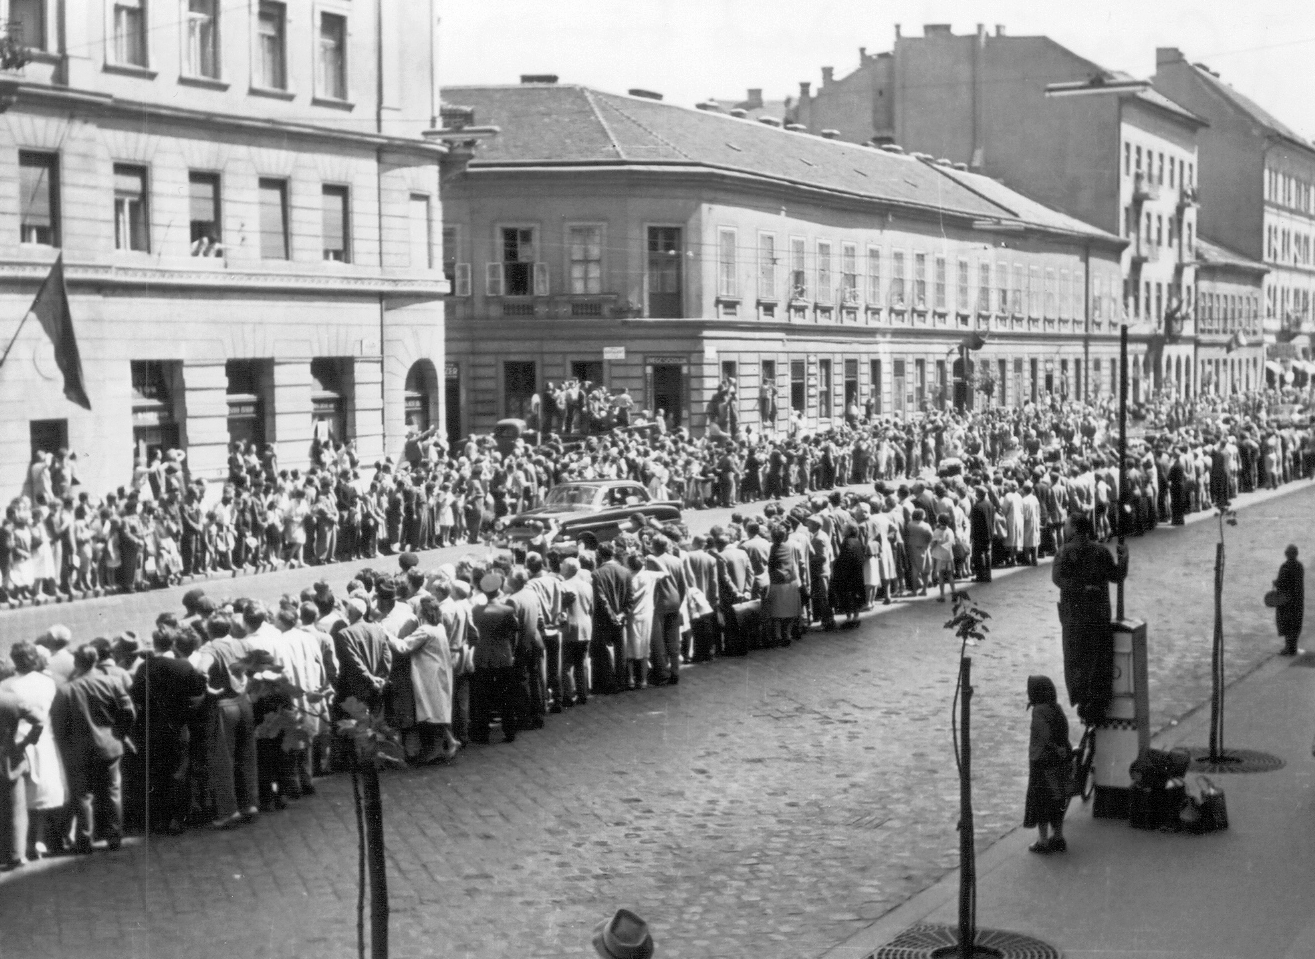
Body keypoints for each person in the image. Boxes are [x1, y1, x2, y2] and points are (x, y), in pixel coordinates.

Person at [52, 645, 136, 853]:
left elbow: (59, 725)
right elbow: (128, 712)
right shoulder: (112, 682)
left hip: (78, 750)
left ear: (76, 663)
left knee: (83, 795)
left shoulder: (66, 690)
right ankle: (114, 836)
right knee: (112, 791)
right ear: (96, 660)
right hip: (110, 745)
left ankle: (84, 839)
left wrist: (66, 747)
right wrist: (119, 733)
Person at [1051, 514, 1128, 724]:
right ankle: (1095, 708)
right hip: (1098, 618)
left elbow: (1058, 579)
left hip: (1074, 619)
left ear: (1075, 528)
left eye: (1066, 526)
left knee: (1077, 663)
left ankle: (1084, 708)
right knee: (1097, 663)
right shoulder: (1101, 551)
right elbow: (1117, 575)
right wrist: (1124, 558)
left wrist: (1080, 588)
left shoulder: (1064, 552)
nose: (1064, 529)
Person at [1023, 675, 1071, 854]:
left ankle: (1043, 841)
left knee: (1041, 802)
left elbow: (1043, 736)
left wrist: (1052, 748)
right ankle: (1058, 837)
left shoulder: (1038, 711)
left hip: (1042, 762)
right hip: (1059, 762)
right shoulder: (1056, 708)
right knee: (1057, 800)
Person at [0, 685, 43, 869]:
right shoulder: (11, 699)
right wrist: (27, 742)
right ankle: (16, 854)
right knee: (16, 809)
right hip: (8, 757)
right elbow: (39, 720)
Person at [1274, 544, 1305, 656]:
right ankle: (1293, 647)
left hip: (1286, 601)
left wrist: (1275, 583)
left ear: (1287, 554)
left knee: (1286, 623)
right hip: (1297, 600)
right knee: (1295, 624)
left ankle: (1288, 648)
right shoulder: (1299, 566)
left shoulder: (1285, 566)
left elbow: (1282, 583)